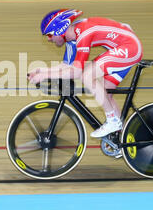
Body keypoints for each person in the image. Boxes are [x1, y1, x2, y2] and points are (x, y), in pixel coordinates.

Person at [28, 9, 143, 138]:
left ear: (60, 30)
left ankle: (112, 121)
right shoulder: (72, 39)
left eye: (49, 35)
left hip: (129, 47)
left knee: (87, 75)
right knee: (105, 93)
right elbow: (67, 66)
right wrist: (42, 71)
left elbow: (76, 72)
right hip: (123, 47)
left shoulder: (83, 33)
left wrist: (45, 76)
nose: (49, 40)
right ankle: (121, 138)